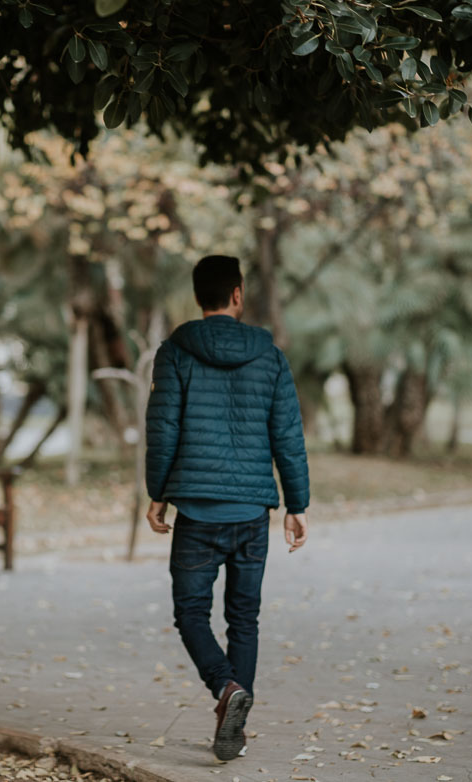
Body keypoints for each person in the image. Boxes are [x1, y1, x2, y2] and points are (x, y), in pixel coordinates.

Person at [144, 254, 309, 762]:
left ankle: (224, 690)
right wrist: (296, 504)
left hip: (196, 511)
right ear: (238, 295)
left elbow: (163, 428)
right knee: (245, 618)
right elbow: (287, 434)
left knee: (190, 612)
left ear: (199, 298)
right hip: (251, 513)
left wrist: (157, 493)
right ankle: (234, 718)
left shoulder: (175, 352)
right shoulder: (271, 356)